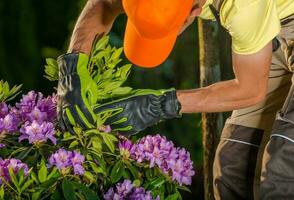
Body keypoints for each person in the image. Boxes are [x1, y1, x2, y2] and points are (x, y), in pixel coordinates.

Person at [57, 0, 294, 199]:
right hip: (272, 29)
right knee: (233, 166)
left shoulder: (243, 7)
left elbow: (250, 90)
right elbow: (102, 4)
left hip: (268, 27)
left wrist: (160, 105)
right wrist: (72, 67)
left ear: (194, 12)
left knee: (281, 171)